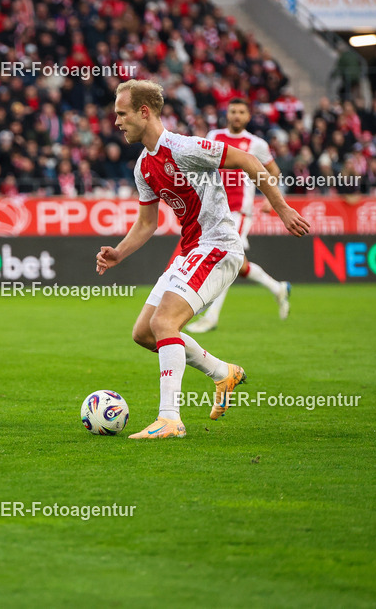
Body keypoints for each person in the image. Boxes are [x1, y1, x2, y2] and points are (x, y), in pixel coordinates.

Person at [95, 80, 309, 440]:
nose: (116, 121)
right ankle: (223, 372)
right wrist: (119, 252)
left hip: (219, 244)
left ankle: (170, 419)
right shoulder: (143, 166)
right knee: (144, 333)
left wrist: (283, 209)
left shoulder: (184, 147)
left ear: (144, 112)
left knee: (165, 322)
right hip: (191, 248)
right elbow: (146, 224)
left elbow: (246, 160)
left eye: (121, 113)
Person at [187, 98, 291, 333]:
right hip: (214, 208)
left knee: (224, 259)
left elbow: (273, 171)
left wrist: (269, 199)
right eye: (233, 111)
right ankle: (278, 288)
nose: (236, 115)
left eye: (241, 112)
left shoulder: (256, 143)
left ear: (247, 116)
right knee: (239, 265)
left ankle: (211, 317)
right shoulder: (214, 136)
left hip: (239, 211)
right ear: (228, 114)